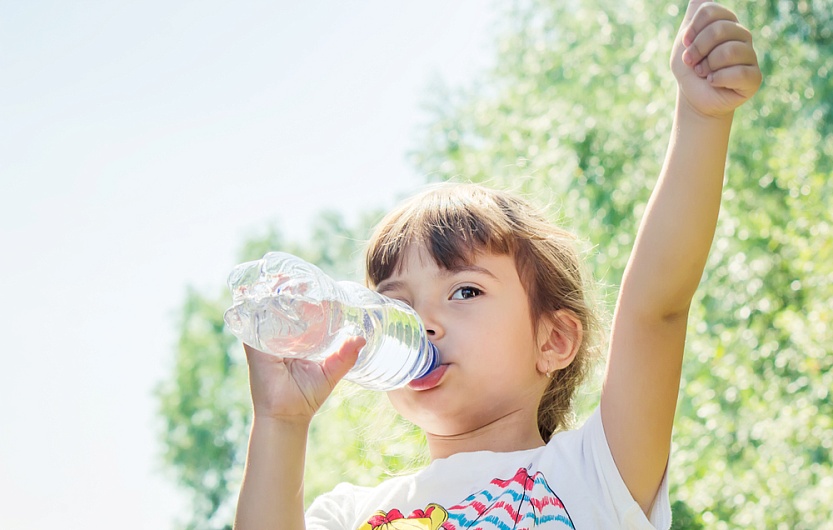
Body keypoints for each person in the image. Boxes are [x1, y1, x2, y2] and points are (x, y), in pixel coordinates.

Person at [233, 1, 762, 528]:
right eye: (396, 304)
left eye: (464, 291)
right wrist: (280, 423)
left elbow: (656, 307)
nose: (423, 323)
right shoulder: (350, 514)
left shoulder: (591, 476)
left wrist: (701, 117)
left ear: (553, 340)